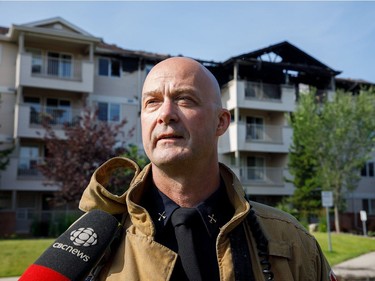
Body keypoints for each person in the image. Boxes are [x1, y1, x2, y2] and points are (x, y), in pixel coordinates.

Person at [79, 57, 336, 280]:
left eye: (185, 99)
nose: (165, 114)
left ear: (221, 122)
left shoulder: (292, 243)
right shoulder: (89, 245)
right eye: (152, 102)